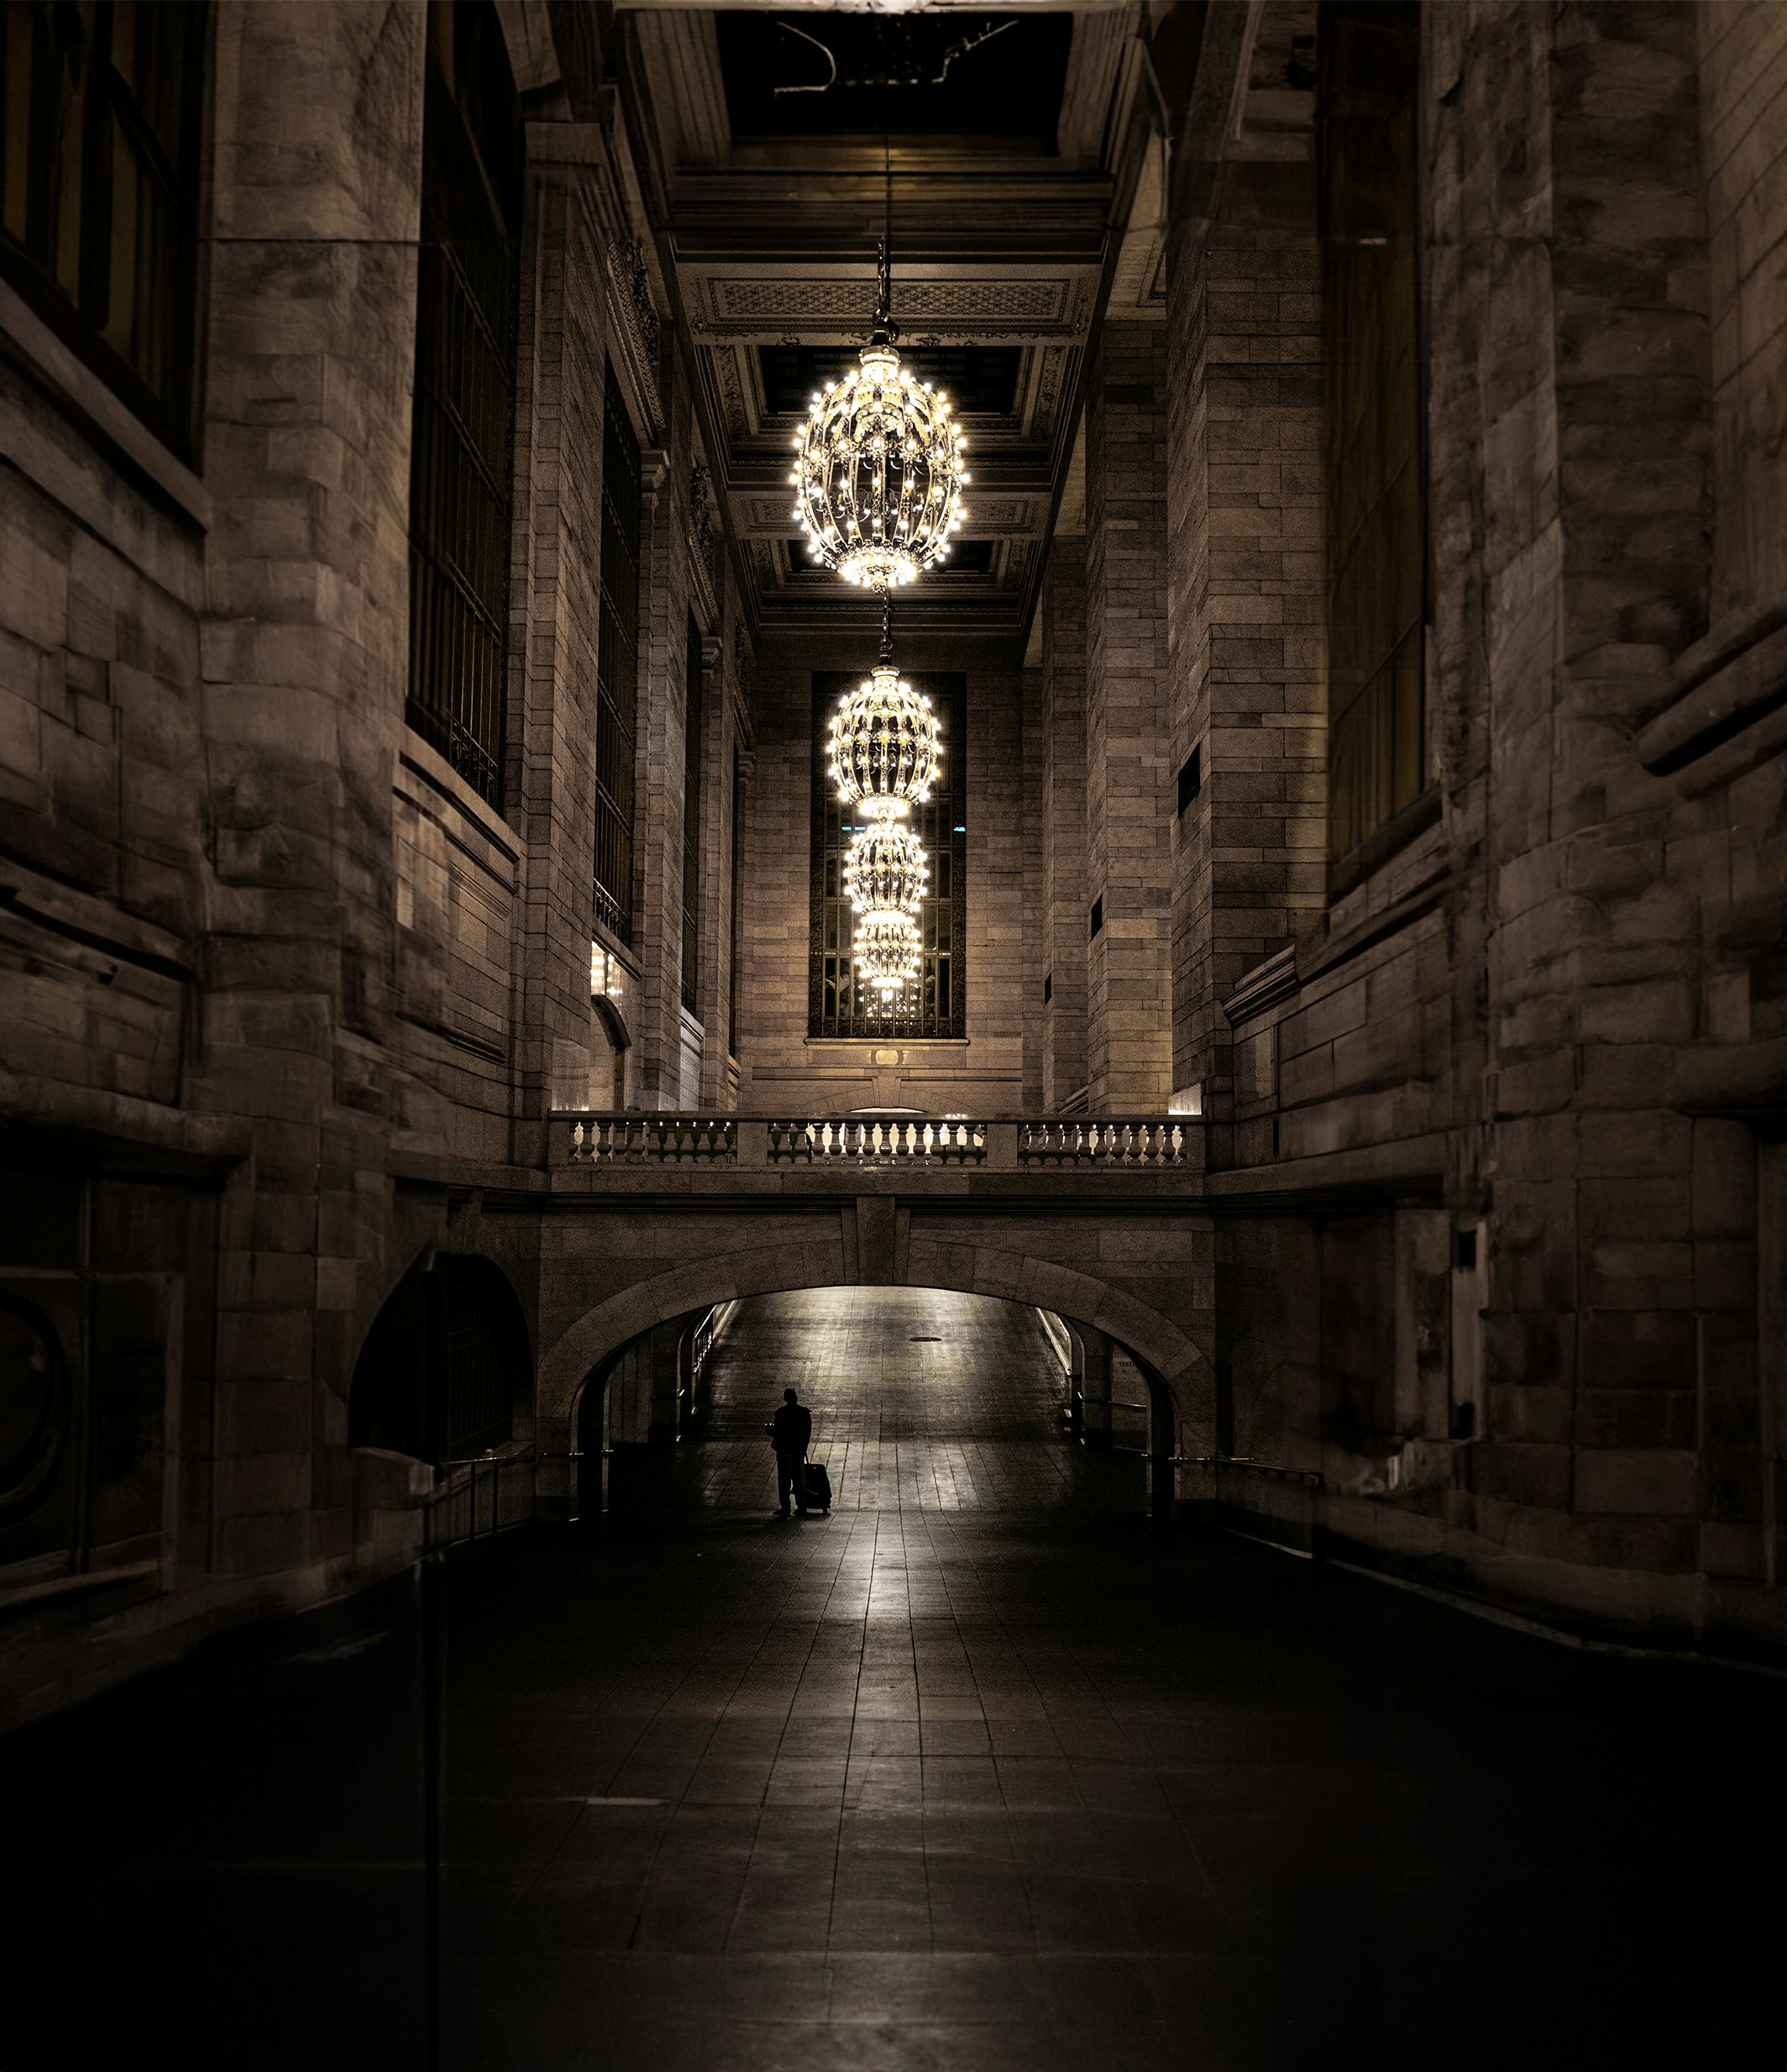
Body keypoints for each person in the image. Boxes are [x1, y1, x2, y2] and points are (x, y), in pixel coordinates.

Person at [767, 1387, 812, 1517]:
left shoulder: (781, 1413)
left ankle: (786, 1508)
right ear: (796, 1398)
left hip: (784, 1452)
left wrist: (769, 1431)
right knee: (799, 1480)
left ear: (785, 1399)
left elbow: (777, 1432)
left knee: (784, 1481)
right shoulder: (804, 1413)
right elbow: (807, 1433)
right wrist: (803, 1448)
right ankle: (802, 1506)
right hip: (798, 1452)